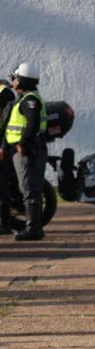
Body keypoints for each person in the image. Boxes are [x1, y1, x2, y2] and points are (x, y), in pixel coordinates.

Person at [2, 64, 49, 241]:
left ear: (22, 79)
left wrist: (22, 143)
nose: (12, 81)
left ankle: (33, 229)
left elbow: (32, 124)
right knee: (28, 188)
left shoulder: (30, 100)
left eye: (14, 78)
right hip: (28, 148)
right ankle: (34, 228)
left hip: (29, 150)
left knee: (30, 189)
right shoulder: (27, 98)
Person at [0, 78, 17, 235]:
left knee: (1, 186)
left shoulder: (5, 93)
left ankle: (5, 224)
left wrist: (3, 146)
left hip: (2, 147)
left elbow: (7, 124)